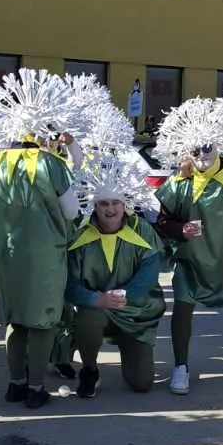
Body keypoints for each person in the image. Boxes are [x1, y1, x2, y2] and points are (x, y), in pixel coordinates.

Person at [0, 68, 82, 410]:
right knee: (41, 320)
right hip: (44, 256)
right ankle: (37, 387)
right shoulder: (51, 165)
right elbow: (70, 213)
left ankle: (15, 383)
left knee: (16, 318)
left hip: (8, 253)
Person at [152, 96, 223, 395]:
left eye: (207, 147)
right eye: (195, 150)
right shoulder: (180, 182)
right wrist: (180, 230)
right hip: (193, 263)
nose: (202, 155)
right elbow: (162, 222)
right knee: (183, 309)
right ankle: (181, 367)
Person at [66, 149, 165, 397]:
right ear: (94, 206)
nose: (110, 209)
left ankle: (128, 348)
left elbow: (150, 273)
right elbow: (69, 283)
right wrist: (95, 299)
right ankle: (89, 369)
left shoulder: (142, 230)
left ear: (125, 204)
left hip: (135, 313)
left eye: (115, 203)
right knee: (88, 318)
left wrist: (125, 295)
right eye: (103, 203)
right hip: (99, 309)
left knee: (141, 384)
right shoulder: (80, 235)